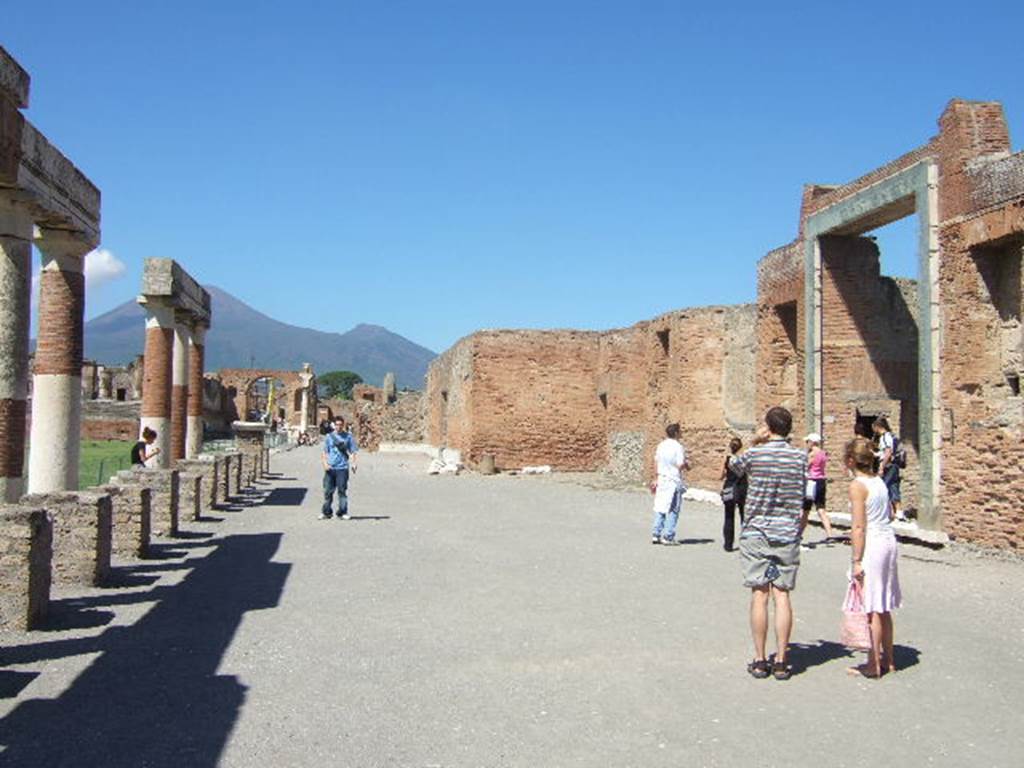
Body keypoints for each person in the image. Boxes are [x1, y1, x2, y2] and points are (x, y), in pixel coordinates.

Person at [729, 406, 808, 680]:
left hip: (756, 532)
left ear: (768, 427)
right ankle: (782, 661)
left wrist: (754, 441)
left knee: (760, 595)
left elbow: (734, 465)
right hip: (787, 532)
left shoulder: (754, 454)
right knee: (782, 595)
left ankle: (761, 659)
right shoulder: (800, 457)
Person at [846, 436, 902, 678]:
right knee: (884, 605)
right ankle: (888, 660)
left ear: (850, 461)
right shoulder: (878, 481)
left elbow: (858, 527)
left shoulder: (857, 486)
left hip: (874, 545)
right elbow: (889, 512)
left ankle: (872, 664)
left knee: (871, 607)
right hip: (889, 540)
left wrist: (857, 560)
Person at [651, 422, 689, 545]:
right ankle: (668, 536)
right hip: (673, 480)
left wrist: (656, 477)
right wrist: (687, 466)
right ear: (676, 433)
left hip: (662, 478)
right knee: (673, 509)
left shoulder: (661, 445)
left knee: (660, 506)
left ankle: (656, 534)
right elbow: (680, 464)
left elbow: (656, 462)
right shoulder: (678, 447)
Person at [320, 416, 359, 520]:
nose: (339, 427)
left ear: (343, 425)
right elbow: (324, 452)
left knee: (342, 491)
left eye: (340, 425)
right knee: (328, 491)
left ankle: (342, 512)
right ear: (334, 425)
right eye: (337, 425)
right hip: (330, 467)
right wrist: (325, 464)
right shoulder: (329, 437)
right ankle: (326, 512)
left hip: (342, 468)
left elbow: (353, 451)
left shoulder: (348, 437)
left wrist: (354, 463)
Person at [803, 433, 834, 542]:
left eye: (807, 442)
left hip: (811, 481)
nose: (807, 444)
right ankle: (830, 534)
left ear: (812, 442)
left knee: (805, 510)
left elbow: (806, 466)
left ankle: (798, 535)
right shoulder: (823, 453)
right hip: (821, 481)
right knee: (821, 509)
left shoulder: (812, 454)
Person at [872, 417, 903, 521]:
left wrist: (881, 467)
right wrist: (875, 454)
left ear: (878, 427)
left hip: (888, 465)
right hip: (894, 465)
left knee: (883, 487)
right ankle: (898, 513)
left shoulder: (884, 437)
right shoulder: (890, 436)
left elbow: (888, 452)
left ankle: (888, 513)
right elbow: (885, 452)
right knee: (893, 487)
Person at [719, 437, 747, 552]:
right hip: (743, 489)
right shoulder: (743, 460)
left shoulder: (727, 459)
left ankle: (728, 545)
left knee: (729, 517)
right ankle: (745, 544)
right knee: (744, 518)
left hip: (729, 489)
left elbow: (720, 475)